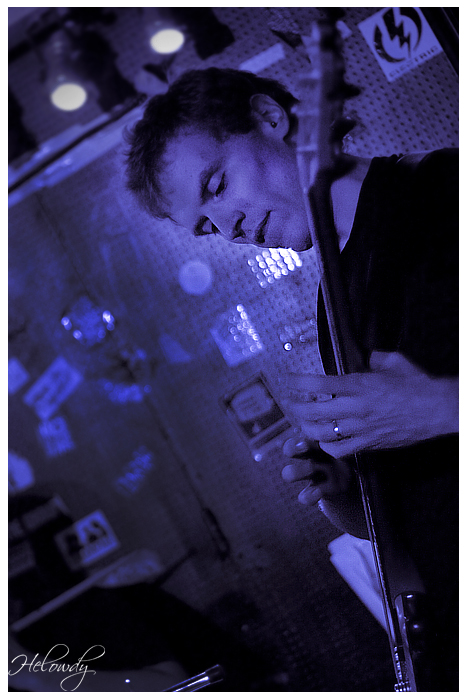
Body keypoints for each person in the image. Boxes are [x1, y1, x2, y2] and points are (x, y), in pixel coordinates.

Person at [124, 68, 458, 689]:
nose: (228, 227)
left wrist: (442, 407)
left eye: (217, 185)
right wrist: (345, 490)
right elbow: (413, 509)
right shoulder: (334, 303)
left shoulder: (443, 190)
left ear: (271, 119)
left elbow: (435, 417)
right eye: (206, 225)